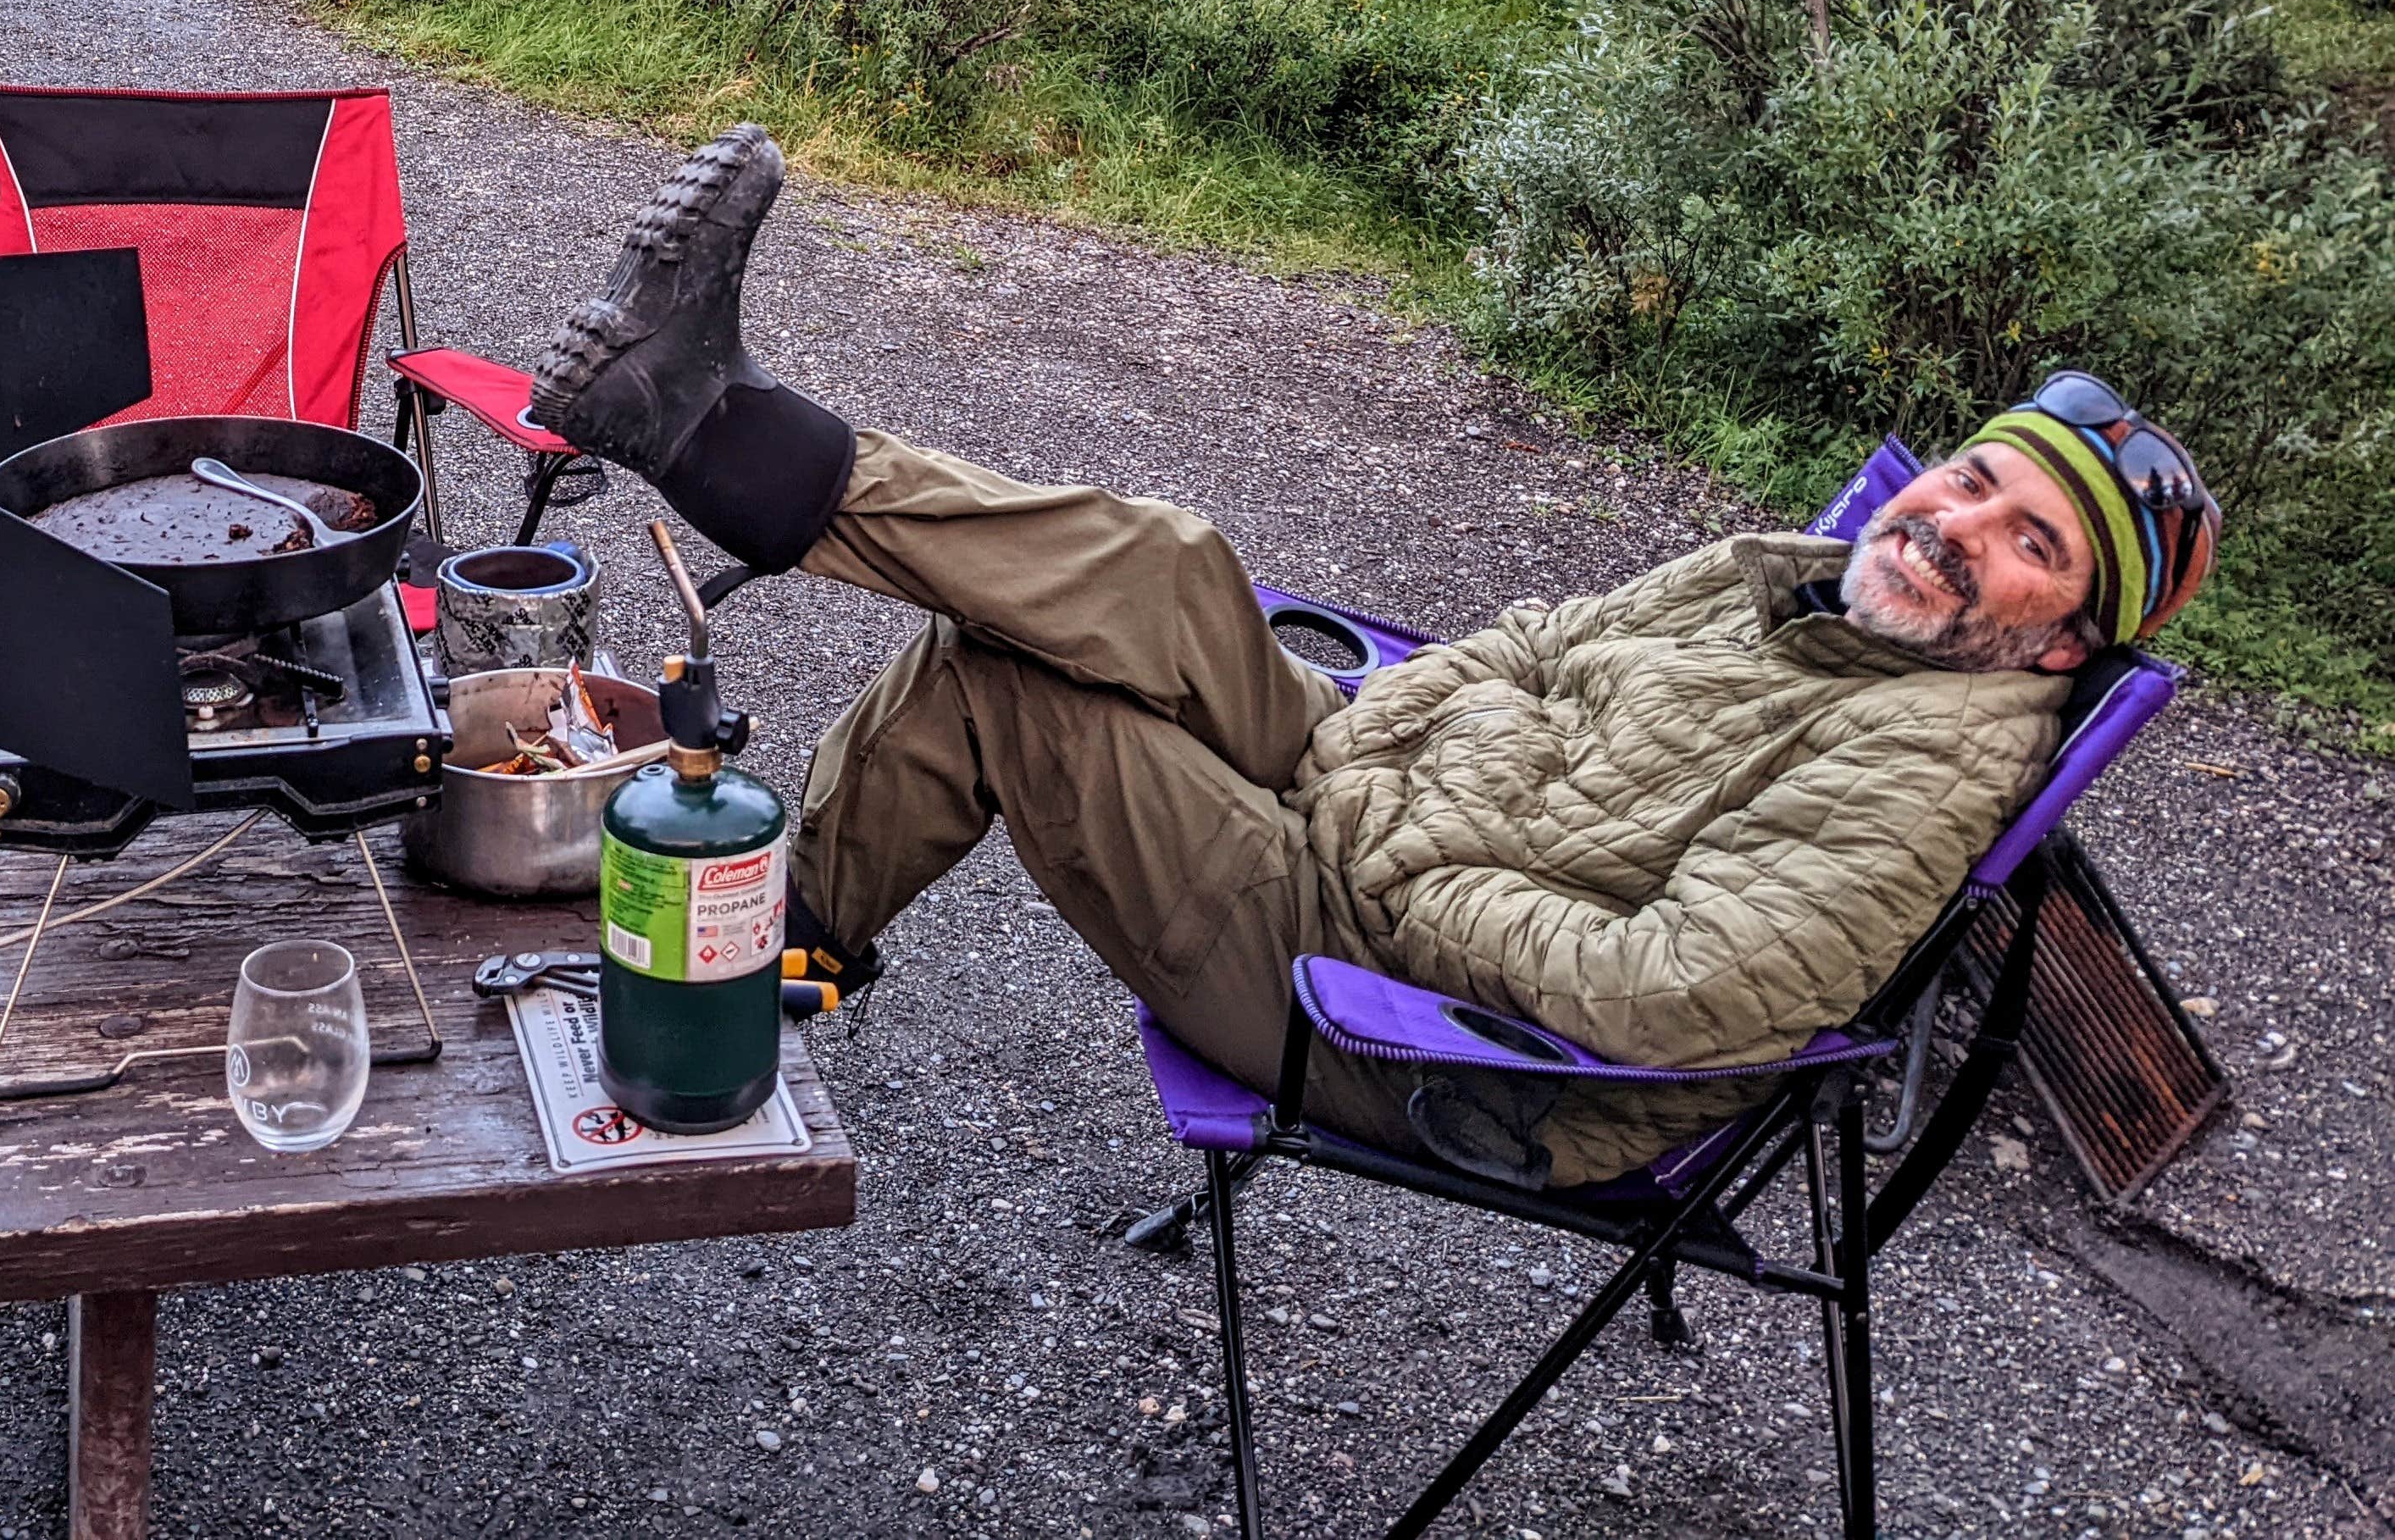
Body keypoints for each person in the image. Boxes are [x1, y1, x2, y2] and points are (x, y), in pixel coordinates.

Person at [534, 126, 2219, 1187]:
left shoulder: (1926, 751)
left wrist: (1412, 870)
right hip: (1367, 792)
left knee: (1012, 685)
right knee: (1172, 563)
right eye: (1975, 476)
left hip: (1434, 1027)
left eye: (2026, 541)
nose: (1954, 523)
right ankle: (707, 420)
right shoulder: (1790, 572)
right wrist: (1382, 732)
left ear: (2055, 631)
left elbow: (1680, 989)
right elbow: (1541, 643)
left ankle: (767, 960)